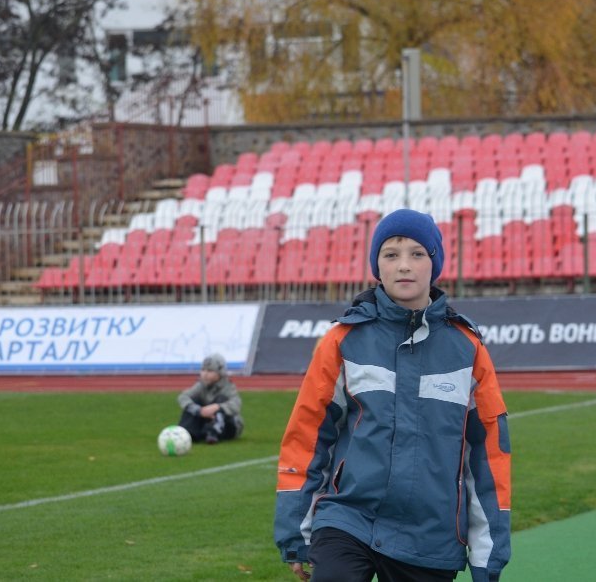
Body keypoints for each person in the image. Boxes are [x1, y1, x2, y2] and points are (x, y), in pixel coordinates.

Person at [274, 208, 511, 582]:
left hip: (430, 536)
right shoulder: (341, 341)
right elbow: (308, 436)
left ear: (434, 264)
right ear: (377, 266)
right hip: (348, 518)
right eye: (391, 254)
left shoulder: (468, 349)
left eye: (417, 254)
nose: (404, 265)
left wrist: (488, 555)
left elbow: (487, 456)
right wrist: (296, 531)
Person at [177, 352, 244, 444]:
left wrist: (217, 407)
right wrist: (199, 410)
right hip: (206, 419)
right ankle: (188, 432)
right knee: (194, 402)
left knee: (221, 400)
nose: (205, 374)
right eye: (203, 370)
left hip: (229, 426)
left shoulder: (228, 387)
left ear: (220, 372)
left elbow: (236, 404)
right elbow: (183, 396)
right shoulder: (201, 385)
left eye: (210, 371)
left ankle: (213, 432)